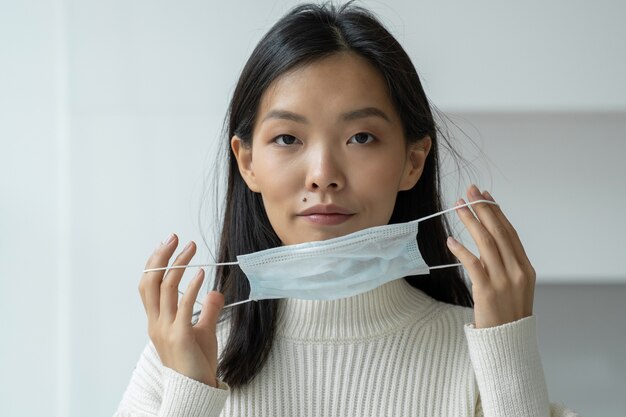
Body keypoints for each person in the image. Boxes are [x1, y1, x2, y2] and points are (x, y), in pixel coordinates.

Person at [115, 2, 580, 416]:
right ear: (248, 162)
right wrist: (191, 395)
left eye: (361, 137)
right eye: (287, 139)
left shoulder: (490, 354)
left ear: (412, 160)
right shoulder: (181, 357)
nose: (323, 174)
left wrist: (508, 354)